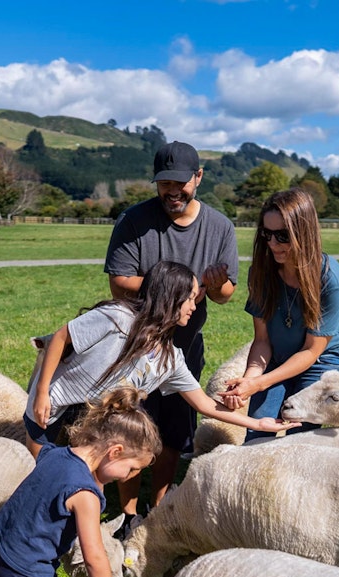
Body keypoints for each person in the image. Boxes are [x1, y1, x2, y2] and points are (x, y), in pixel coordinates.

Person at [26, 260, 293, 458]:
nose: (193, 305)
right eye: (189, 298)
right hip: (54, 407)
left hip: (94, 420)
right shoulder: (117, 318)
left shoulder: (169, 358)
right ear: (170, 299)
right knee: (37, 473)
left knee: (76, 478)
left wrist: (258, 423)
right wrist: (41, 394)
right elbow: (61, 337)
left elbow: (204, 404)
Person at [104, 140, 239, 525]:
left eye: (180, 183)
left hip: (185, 345)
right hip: (135, 344)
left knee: (174, 434)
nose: (172, 191)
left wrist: (214, 285)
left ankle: (158, 507)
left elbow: (227, 294)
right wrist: (179, 286)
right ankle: (128, 512)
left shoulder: (219, 227)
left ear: (198, 178)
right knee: (130, 426)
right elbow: (119, 283)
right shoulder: (134, 221)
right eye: (164, 183)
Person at [0, 387, 160, 577]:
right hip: (28, 573)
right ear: (115, 451)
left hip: (3, 555)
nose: (128, 477)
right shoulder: (85, 495)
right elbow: (95, 559)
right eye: (131, 469)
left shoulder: (56, 454)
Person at [218, 187, 339, 441]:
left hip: (319, 363)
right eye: (267, 234)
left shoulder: (331, 280)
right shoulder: (261, 272)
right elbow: (263, 341)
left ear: (304, 233)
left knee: (300, 441)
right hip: (276, 357)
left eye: (282, 236)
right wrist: (249, 382)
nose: (272, 244)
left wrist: (259, 384)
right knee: (257, 435)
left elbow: (312, 351)